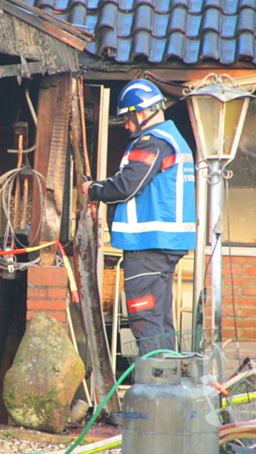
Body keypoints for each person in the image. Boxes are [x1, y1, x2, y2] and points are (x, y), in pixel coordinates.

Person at [81, 79, 196, 356]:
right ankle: (167, 380)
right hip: (163, 244)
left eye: (128, 118)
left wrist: (92, 189)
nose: (126, 126)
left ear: (142, 113)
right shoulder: (171, 140)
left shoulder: (152, 141)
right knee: (159, 318)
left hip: (148, 245)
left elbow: (127, 185)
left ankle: (155, 385)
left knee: (145, 317)